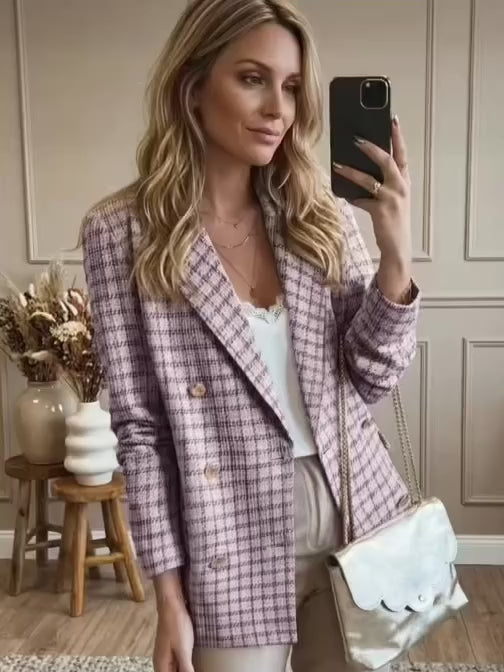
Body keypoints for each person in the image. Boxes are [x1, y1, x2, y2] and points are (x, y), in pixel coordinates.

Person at [80, 0, 420, 670]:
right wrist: (168, 597)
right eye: (252, 79)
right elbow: (141, 430)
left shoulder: (319, 215)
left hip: (356, 514)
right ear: (194, 85)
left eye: (290, 87)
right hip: (226, 531)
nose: (277, 110)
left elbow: (373, 378)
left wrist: (396, 258)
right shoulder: (121, 232)